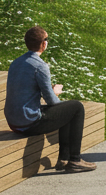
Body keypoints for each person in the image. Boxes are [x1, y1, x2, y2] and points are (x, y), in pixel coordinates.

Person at [5, 26, 96, 172]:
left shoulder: (16, 62)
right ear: (43, 44)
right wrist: (56, 92)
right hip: (28, 122)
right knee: (77, 107)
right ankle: (75, 160)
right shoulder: (40, 66)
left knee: (66, 109)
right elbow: (52, 102)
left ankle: (64, 159)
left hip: (13, 121)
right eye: (46, 39)